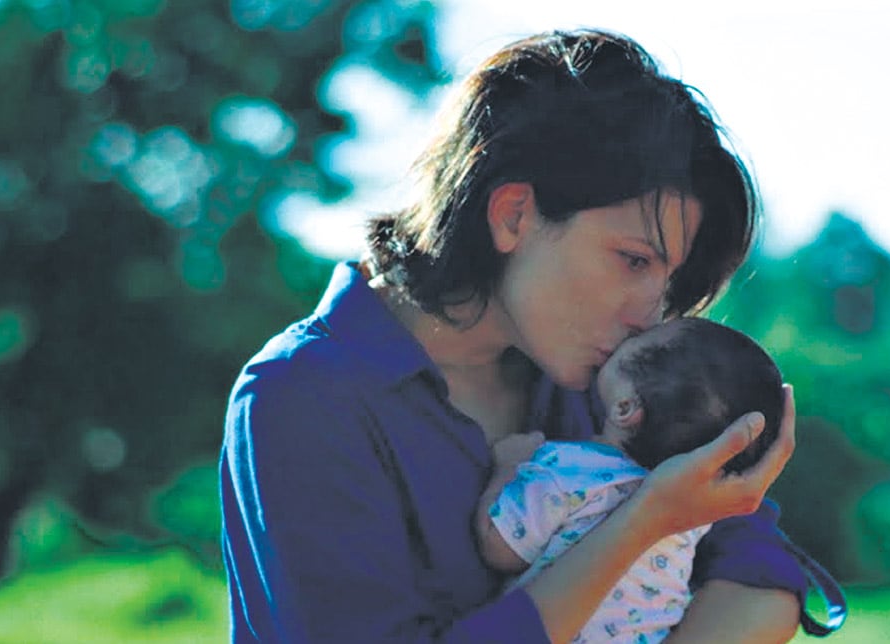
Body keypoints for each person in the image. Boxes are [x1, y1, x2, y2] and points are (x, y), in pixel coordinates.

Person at [220, 28, 842, 643]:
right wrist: (643, 520)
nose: (649, 315)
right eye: (632, 260)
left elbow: (763, 580)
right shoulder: (301, 396)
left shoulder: (607, 381)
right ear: (513, 214)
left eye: (667, 278)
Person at [475, 318, 788, 643]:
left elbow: (499, 547)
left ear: (625, 407)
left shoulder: (568, 471)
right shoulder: (694, 516)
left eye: (638, 340)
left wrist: (508, 466)